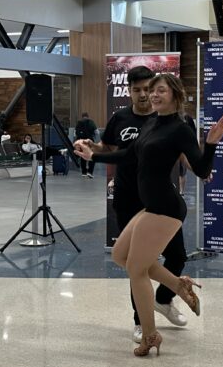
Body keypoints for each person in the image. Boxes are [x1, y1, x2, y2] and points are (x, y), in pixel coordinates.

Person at [75, 73, 223, 357]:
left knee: (137, 269)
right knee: (121, 255)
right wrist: (92, 156)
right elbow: (127, 155)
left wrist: (210, 144)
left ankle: (150, 335)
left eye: (160, 91)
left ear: (175, 95)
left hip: (166, 208)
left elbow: (202, 170)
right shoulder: (151, 123)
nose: (153, 95)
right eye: (151, 90)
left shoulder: (180, 129)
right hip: (152, 206)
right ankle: (177, 284)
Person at [75, 66, 185, 344]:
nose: (144, 94)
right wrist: (91, 147)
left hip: (160, 198)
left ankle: (163, 300)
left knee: (178, 256)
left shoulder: (164, 119)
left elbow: (183, 149)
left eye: (148, 89)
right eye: (137, 90)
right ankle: (140, 320)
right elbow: (108, 149)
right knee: (137, 264)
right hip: (128, 198)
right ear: (129, 91)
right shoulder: (120, 118)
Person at [74, 112, 97, 178]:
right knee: (92, 156)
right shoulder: (91, 122)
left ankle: (84, 173)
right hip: (89, 141)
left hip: (81, 142)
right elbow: (97, 132)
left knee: (83, 156)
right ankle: (90, 172)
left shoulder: (79, 123)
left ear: (82, 116)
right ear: (87, 116)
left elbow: (75, 134)